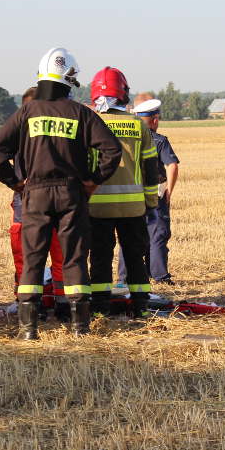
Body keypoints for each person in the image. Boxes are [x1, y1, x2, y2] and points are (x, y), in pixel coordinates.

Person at [0, 47, 122, 340]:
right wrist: (93, 180)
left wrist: (14, 181)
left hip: (34, 193)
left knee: (33, 258)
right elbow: (111, 150)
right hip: (71, 193)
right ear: (69, 79)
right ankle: (80, 327)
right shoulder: (79, 113)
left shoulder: (26, 111)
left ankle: (28, 329)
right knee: (74, 258)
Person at [88, 67, 159, 317]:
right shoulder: (137, 125)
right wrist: (151, 201)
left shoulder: (91, 123)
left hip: (97, 207)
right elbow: (151, 168)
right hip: (133, 206)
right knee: (134, 258)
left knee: (100, 259)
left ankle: (99, 310)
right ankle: (140, 307)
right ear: (123, 93)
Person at [7, 86, 69, 321]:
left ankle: (29, 307)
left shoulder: (17, 134)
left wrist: (13, 183)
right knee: (61, 255)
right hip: (58, 203)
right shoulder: (56, 133)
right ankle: (63, 306)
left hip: (25, 205)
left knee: (27, 259)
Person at [117, 97, 179, 285]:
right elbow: (172, 165)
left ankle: (124, 278)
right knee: (158, 234)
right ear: (155, 120)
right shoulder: (160, 141)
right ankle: (159, 276)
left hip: (129, 192)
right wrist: (169, 190)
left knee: (129, 236)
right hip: (154, 193)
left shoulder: (128, 137)